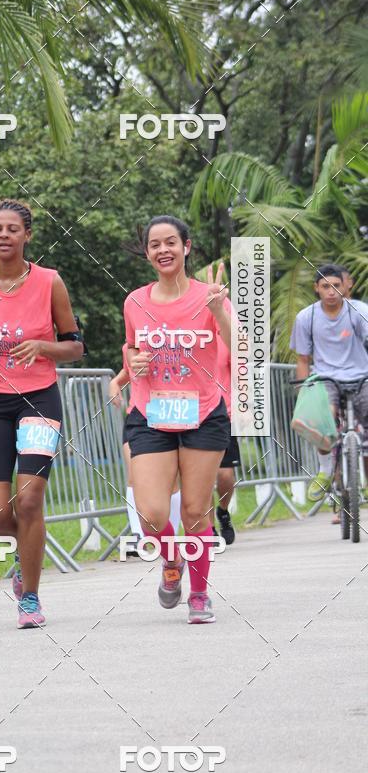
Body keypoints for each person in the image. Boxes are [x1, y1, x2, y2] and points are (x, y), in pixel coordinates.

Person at [0, 198, 84, 628]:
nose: (5, 235)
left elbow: (75, 345)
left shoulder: (50, 282)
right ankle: (25, 549)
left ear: (27, 235)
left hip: (38, 399)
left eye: (13, 229)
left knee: (29, 499)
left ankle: (29, 597)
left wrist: (44, 347)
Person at [123, 215, 232, 624]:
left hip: (203, 413)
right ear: (148, 253)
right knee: (152, 512)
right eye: (155, 244)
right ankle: (172, 558)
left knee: (195, 510)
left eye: (171, 242)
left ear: (186, 247)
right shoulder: (135, 301)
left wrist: (219, 311)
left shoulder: (211, 296)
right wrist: (133, 360)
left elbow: (237, 344)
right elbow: (132, 354)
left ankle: (200, 594)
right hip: (150, 413)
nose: (163, 250)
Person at [290, 263, 368, 505]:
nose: (331, 291)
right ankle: (325, 471)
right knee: (320, 419)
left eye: (336, 285)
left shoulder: (358, 311)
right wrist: (305, 392)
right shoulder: (306, 317)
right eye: (325, 286)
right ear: (317, 288)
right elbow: (303, 359)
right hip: (326, 377)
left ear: (345, 286)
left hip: (361, 375)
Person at [108, 345, 182, 547]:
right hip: (140, 416)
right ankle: (137, 534)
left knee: (171, 482)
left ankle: (169, 538)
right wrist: (115, 383)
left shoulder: (177, 337)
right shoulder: (130, 343)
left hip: (176, 411)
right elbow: (128, 370)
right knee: (135, 475)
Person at [211, 297, 238, 545]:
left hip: (223, 413)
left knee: (225, 476)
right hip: (190, 414)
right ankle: (206, 528)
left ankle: (223, 511)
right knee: (197, 479)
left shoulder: (226, 338)